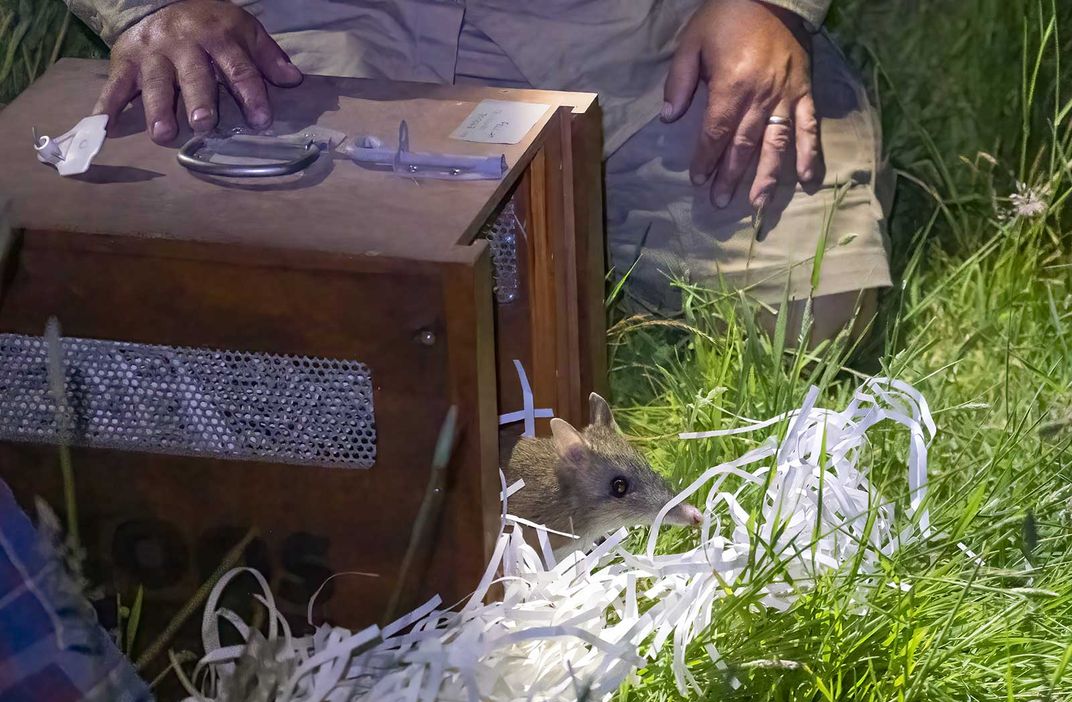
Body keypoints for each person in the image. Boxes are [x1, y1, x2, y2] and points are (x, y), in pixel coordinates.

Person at [67, 0, 892, 345]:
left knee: (808, 316)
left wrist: (770, 7)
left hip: (630, 28)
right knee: (201, 304)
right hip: (312, 26)